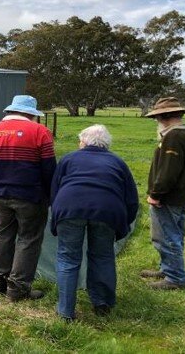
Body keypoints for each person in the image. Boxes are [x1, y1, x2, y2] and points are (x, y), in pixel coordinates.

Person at [50, 125, 138, 320]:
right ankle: (102, 303)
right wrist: (123, 224)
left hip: (69, 208)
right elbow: (131, 199)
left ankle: (65, 311)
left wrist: (57, 216)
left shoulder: (69, 158)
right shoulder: (118, 162)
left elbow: (55, 190)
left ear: (83, 141)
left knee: (68, 258)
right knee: (103, 256)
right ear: (106, 144)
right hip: (107, 211)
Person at [0, 95, 56, 301]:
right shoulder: (40, 132)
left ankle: (1, 280)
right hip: (30, 195)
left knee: (4, 234)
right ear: (31, 113)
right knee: (28, 239)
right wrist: (51, 195)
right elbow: (49, 168)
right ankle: (18, 288)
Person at [142, 97, 185, 290]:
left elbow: (168, 171)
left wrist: (156, 194)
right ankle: (168, 269)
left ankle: (175, 278)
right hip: (183, 195)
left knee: (166, 237)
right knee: (176, 234)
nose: (156, 121)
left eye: (157, 117)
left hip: (169, 197)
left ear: (164, 116)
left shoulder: (173, 137)